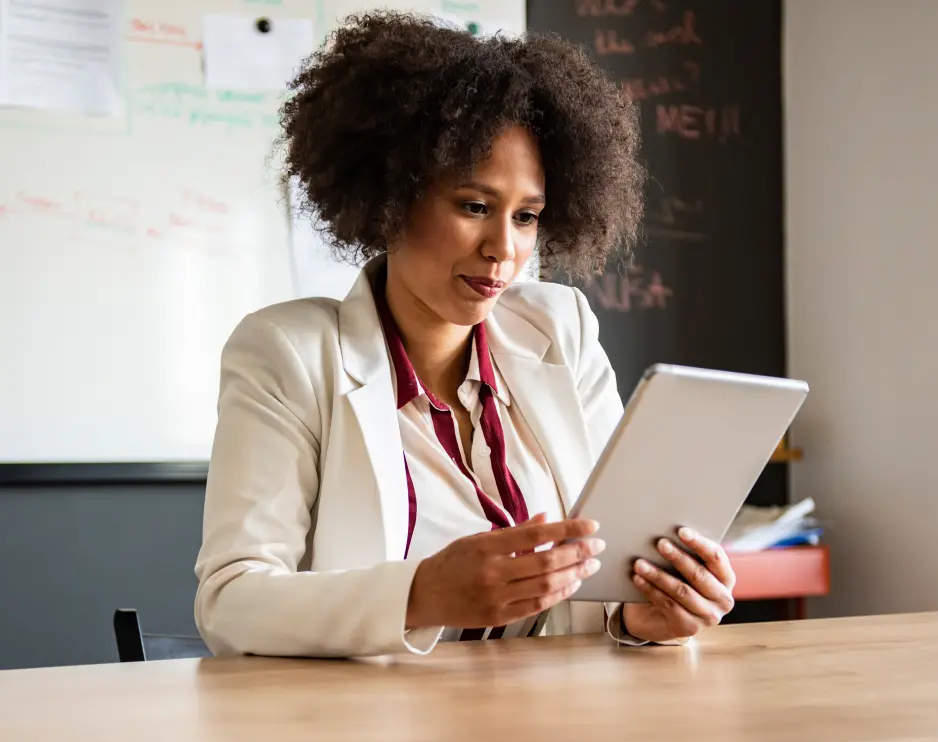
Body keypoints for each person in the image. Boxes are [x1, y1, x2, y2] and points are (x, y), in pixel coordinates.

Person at [193, 11, 736, 657]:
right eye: (474, 206)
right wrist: (420, 594)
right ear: (390, 197)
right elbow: (231, 602)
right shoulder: (289, 353)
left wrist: (642, 618)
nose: (504, 249)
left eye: (528, 216)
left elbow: (603, 577)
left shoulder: (559, 329)